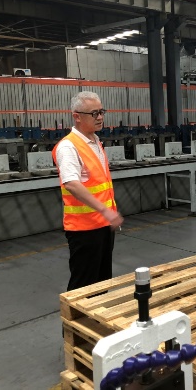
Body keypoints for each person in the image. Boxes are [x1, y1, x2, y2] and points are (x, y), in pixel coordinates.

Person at [52, 91, 124, 291]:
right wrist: (105, 210)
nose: (100, 117)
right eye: (94, 113)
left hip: (103, 226)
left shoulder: (95, 142)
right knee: (83, 287)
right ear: (77, 116)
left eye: (101, 112)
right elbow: (71, 184)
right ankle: (73, 314)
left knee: (102, 282)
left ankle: (98, 313)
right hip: (84, 230)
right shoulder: (69, 147)